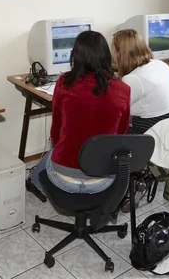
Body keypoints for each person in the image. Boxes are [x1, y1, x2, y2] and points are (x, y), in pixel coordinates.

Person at [30, 31, 130, 194]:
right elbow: (121, 133)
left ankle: (34, 182)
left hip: (63, 178)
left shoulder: (64, 83)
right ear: (106, 55)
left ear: (76, 56)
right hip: (102, 180)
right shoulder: (123, 89)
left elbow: (56, 131)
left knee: (48, 157)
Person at [111, 29, 169, 134]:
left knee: (104, 128)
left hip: (152, 134)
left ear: (120, 53)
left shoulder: (133, 79)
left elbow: (117, 110)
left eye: (112, 48)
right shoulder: (159, 64)